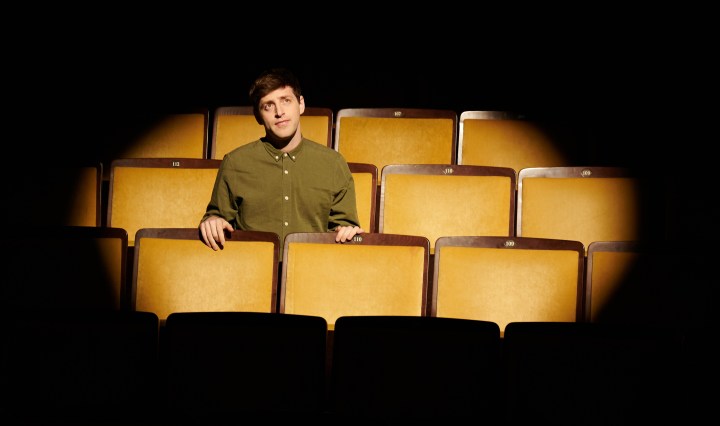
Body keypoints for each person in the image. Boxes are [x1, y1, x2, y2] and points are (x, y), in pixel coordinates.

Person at [199, 67, 364, 251]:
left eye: (286, 101)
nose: (279, 112)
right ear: (258, 116)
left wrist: (346, 231)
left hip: (313, 264)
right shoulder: (235, 162)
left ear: (301, 104)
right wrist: (213, 221)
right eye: (268, 106)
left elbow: (344, 227)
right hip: (252, 264)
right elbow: (216, 217)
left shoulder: (333, 163)